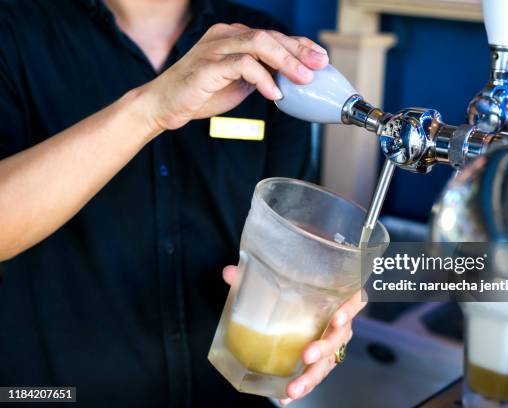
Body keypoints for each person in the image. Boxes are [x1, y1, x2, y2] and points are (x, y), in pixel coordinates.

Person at [0, 0, 364, 406]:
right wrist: (152, 108)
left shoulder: (267, 50)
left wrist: (330, 317)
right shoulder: (12, 33)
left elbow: (297, 239)